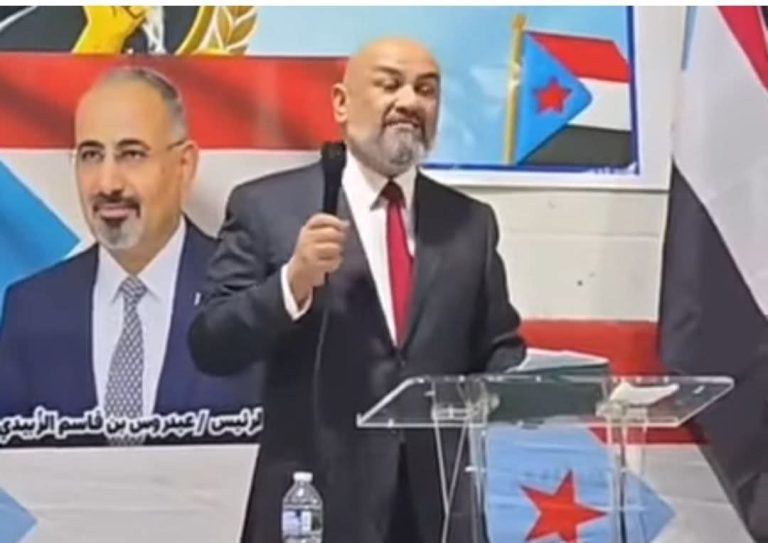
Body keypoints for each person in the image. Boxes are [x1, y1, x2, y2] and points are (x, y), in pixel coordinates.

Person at [188, 37, 525, 543]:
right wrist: (291, 283)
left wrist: (546, 386)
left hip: (435, 514)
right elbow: (210, 344)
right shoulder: (268, 207)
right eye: (390, 85)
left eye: (426, 90)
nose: (410, 101)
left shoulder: (470, 223)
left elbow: (498, 350)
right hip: (313, 506)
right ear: (341, 103)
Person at [0, 66, 263, 444]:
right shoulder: (32, 308)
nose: (107, 184)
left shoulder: (250, 295)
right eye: (91, 155)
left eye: (132, 154)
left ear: (184, 166)